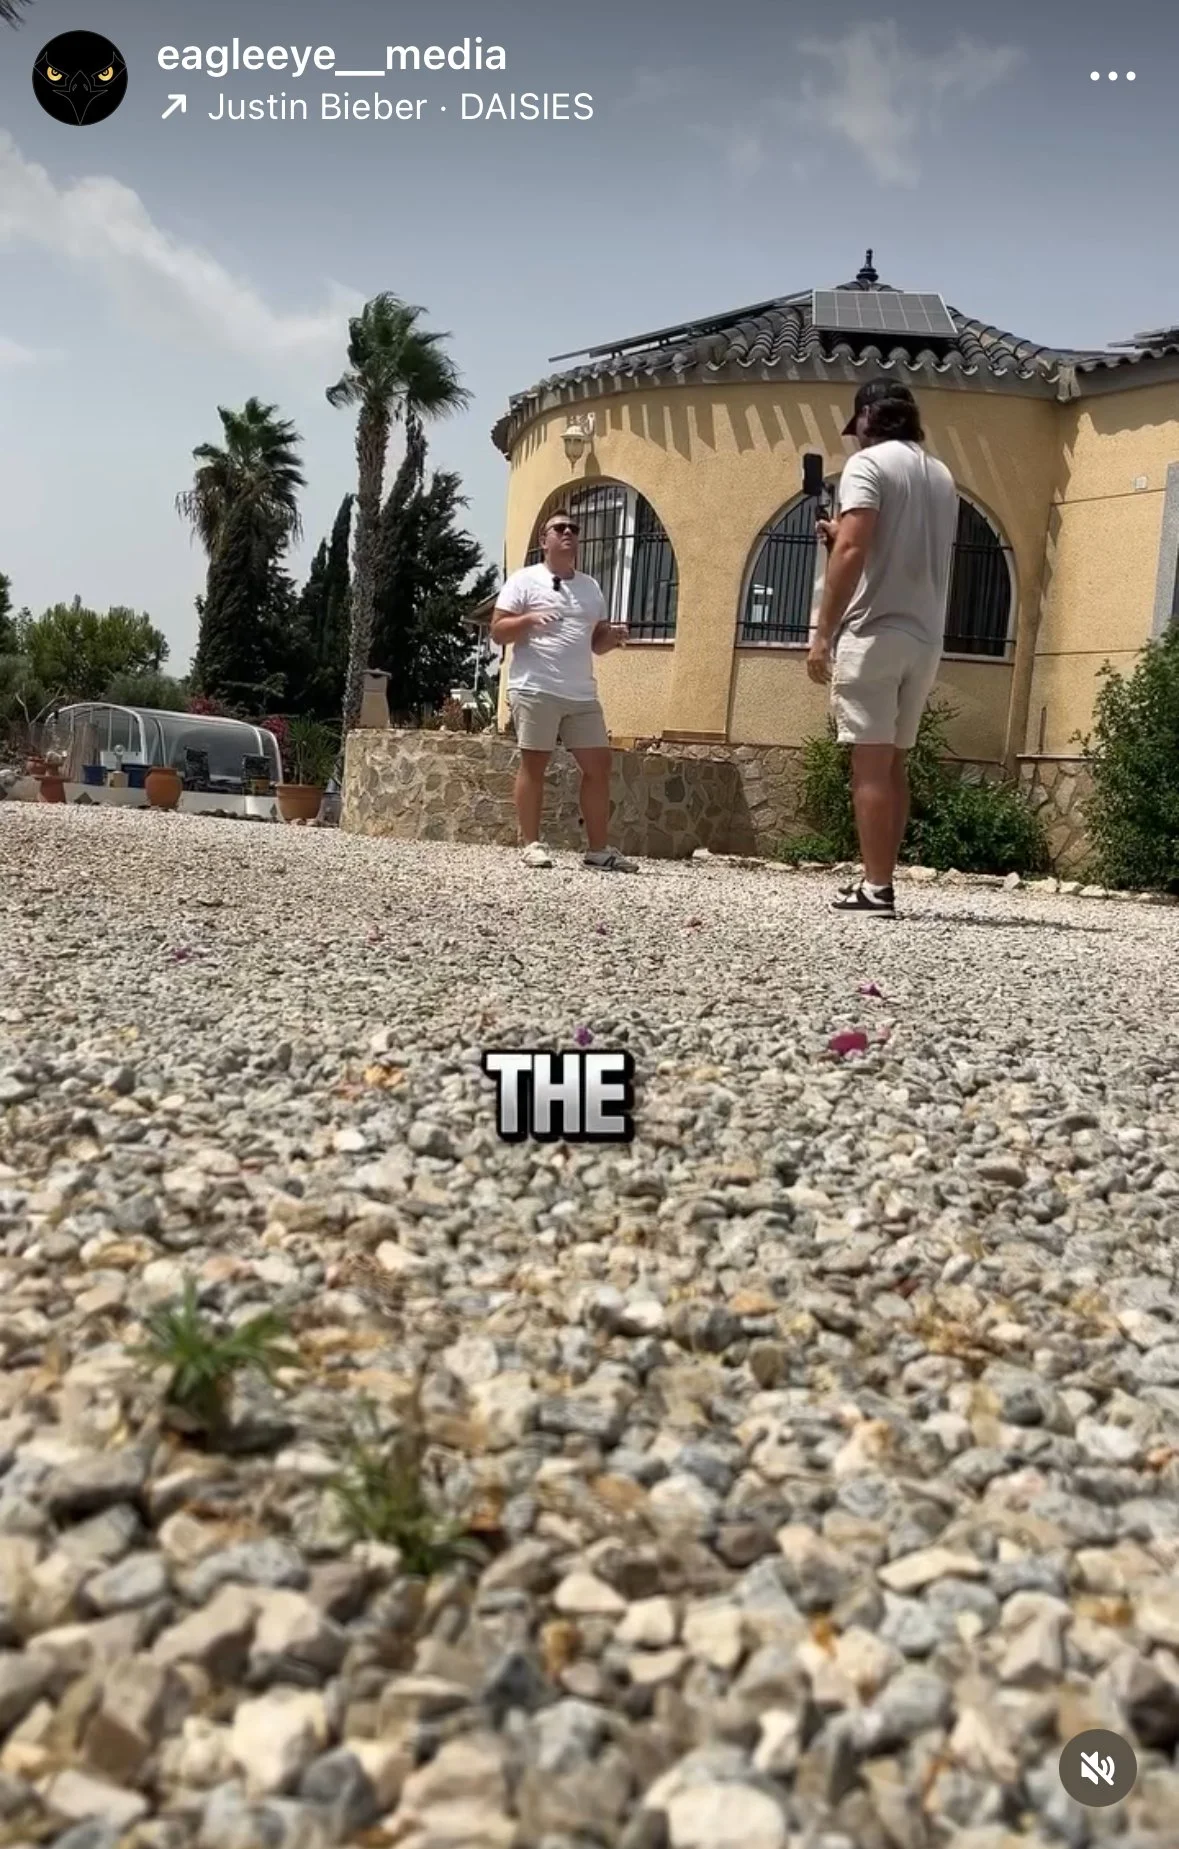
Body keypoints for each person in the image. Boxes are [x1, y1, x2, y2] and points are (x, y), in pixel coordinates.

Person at [806, 380, 958, 917]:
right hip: (925, 635)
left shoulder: (867, 466)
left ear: (867, 419)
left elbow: (854, 546)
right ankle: (883, 880)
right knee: (894, 763)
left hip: (874, 631)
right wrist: (845, 543)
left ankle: (876, 888)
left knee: (868, 765)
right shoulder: (941, 475)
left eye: (856, 429)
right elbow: (897, 547)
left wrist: (822, 632)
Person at [491, 510, 637, 871]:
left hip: (581, 694)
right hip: (536, 687)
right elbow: (497, 631)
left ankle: (599, 850)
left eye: (573, 528)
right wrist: (526, 620)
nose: (568, 532)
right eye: (560, 528)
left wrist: (613, 637)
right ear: (545, 540)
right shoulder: (524, 581)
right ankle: (530, 844)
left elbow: (596, 643)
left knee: (599, 765)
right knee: (534, 763)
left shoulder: (591, 587)